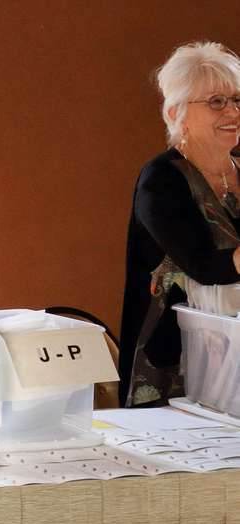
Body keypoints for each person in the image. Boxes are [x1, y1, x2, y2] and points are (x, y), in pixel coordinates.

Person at [120, 41, 240, 407]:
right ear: (178, 113)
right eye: (216, 101)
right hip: (171, 364)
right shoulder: (161, 180)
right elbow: (202, 265)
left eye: (237, 99)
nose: (232, 111)